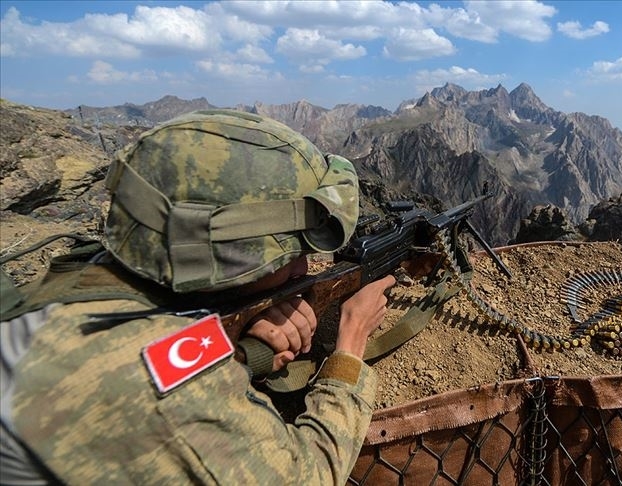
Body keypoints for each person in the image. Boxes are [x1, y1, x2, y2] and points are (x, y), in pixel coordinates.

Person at [0, 110, 396, 484]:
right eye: (292, 253)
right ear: (229, 256)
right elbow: (310, 474)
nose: (304, 269)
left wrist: (245, 352)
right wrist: (350, 346)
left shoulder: (82, 278)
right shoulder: (174, 394)